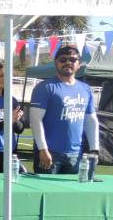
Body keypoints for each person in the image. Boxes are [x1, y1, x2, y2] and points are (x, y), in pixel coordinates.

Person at [29, 45, 99, 174]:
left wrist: (94, 149)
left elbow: (91, 120)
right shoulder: (45, 87)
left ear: (79, 64)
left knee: (73, 188)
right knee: (45, 187)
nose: (68, 62)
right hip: (49, 153)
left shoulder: (86, 89)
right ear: (55, 63)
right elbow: (35, 120)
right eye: (63, 60)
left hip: (76, 155)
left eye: (72, 60)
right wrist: (42, 149)